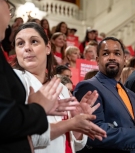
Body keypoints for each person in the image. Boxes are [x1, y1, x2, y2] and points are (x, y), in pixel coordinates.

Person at [0, 0, 65, 152]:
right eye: (10, 9)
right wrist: (38, 108)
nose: (27, 48)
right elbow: (0, 120)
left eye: (34, 41)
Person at [12, 22, 107, 152]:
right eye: (20, 43)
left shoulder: (61, 87)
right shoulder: (13, 80)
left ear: (48, 48)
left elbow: (75, 145)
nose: (27, 48)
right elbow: (16, 137)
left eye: (34, 41)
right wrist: (69, 124)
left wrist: (77, 122)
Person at [74, 37, 135, 153]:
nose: (112, 57)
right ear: (97, 59)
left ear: (124, 59)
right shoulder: (88, 87)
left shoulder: (133, 96)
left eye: (117, 53)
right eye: (106, 53)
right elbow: (93, 132)